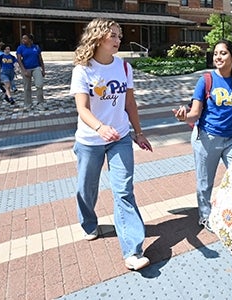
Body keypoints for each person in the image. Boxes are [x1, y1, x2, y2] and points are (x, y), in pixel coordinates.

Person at [69, 18, 153, 271]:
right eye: (113, 36)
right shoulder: (83, 69)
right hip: (90, 140)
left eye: (119, 36)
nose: (118, 40)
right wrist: (100, 127)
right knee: (87, 188)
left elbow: (130, 105)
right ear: (98, 38)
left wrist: (138, 133)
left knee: (124, 190)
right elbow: (82, 109)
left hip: (120, 139)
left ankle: (133, 251)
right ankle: (88, 222)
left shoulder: (124, 68)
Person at [171, 39, 232, 231]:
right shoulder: (206, 80)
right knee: (205, 182)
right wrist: (184, 118)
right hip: (207, 139)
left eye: (223, 53)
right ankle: (205, 216)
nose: (218, 57)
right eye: (216, 53)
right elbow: (195, 113)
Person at [17, 33, 45, 107]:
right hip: (26, 68)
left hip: (36, 68)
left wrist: (43, 69)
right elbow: (19, 60)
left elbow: (40, 59)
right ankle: (28, 104)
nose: (23, 40)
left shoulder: (36, 47)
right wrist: (24, 70)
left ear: (30, 40)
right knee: (27, 87)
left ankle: (40, 103)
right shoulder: (20, 48)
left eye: (25, 38)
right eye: (22, 38)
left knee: (39, 85)